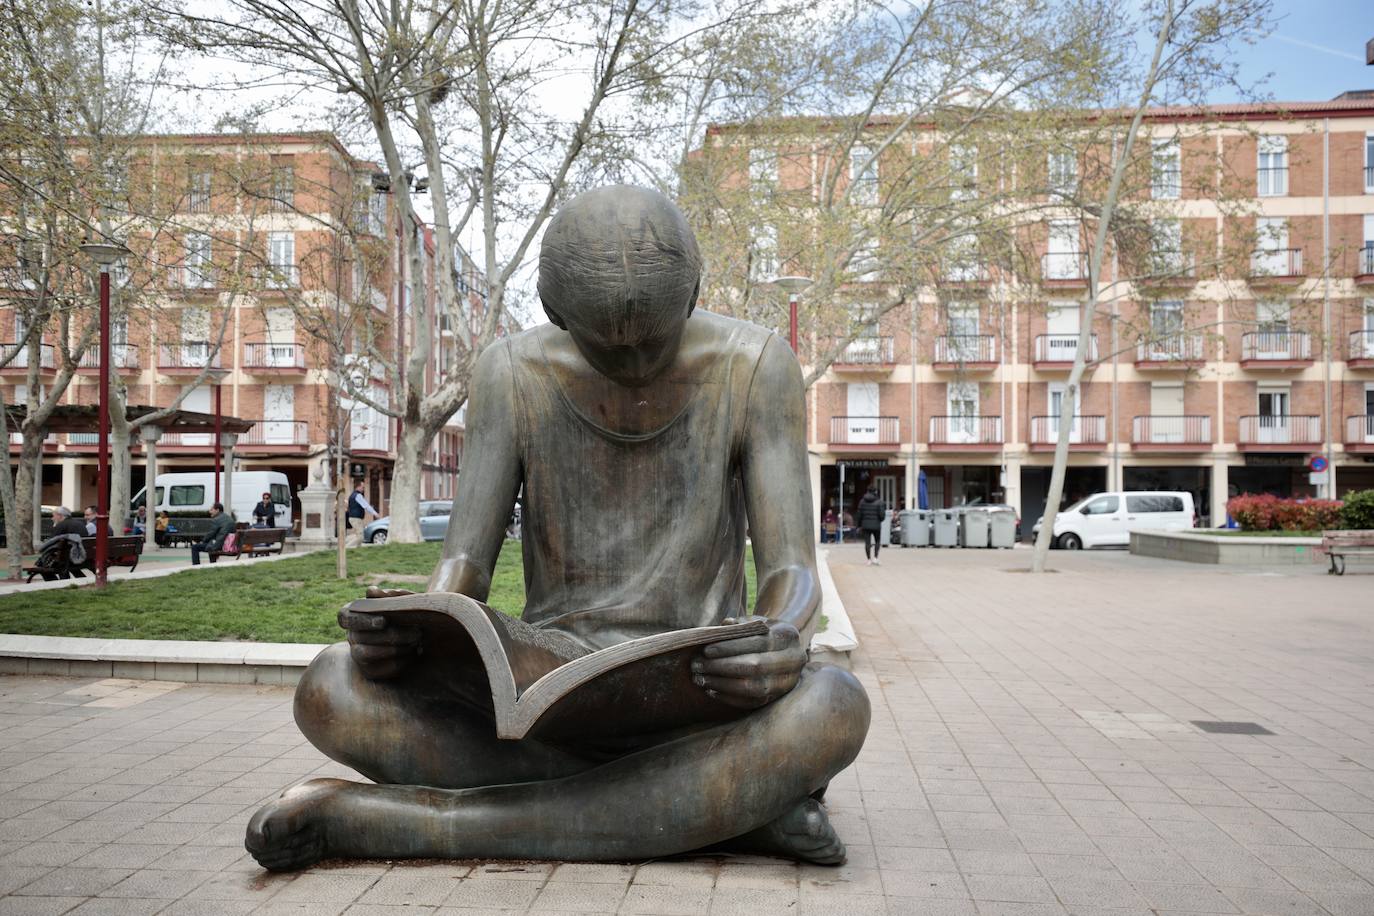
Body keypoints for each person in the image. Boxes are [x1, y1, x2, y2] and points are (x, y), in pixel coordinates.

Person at [246, 185, 869, 871]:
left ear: (693, 295)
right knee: (331, 687)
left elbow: (791, 569)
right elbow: (463, 570)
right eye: (609, 350)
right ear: (553, 312)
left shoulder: (756, 365)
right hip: (546, 708)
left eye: (654, 344)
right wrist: (415, 631)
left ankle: (408, 823)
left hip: (703, 703)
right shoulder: (511, 371)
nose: (634, 367)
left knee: (834, 704)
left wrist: (778, 638)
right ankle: (723, 811)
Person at [856, 486, 886, 565]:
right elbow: (882, 515)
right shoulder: (879, 502)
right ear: (875, 491)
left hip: (865, 525)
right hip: (876, 525)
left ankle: (868, 559)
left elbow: (859, 515)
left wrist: (859, 525)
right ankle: (875, 558)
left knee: (867, 542)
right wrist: (879, 520)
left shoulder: (862, 501)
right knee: (877, 541)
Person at [345, 482, 376, 547]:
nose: (363, 489)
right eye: (363, 487)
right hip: (356, 518)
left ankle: (358, 550)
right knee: (360, 537)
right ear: (358, 487)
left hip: (354, 518)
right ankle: (346, 547)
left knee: (358, 536)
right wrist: (375, 513)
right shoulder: (358, 495)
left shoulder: (352, 495)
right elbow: (366, 505)